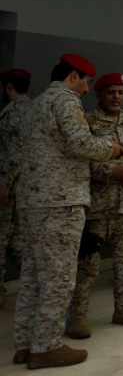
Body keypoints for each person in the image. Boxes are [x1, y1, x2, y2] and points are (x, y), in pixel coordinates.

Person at [13, 55, 123, 368]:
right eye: (87, 81)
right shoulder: (66, 99)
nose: (88, 89)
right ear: (74, 76)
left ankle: (25, 343)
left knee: (33, 276)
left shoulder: (35, 103)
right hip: (60, 201)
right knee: (59, 277)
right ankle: (46, 346)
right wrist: (110, 149)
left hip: (32, 200)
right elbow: (80, 143)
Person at [66, 73, 123, 339]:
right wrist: (112, 171)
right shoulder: (88, 122)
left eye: (120, 92)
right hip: (97, 209)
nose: (116, 97)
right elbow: (80, 159)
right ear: (99, 95)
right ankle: (77, 318)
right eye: (110, 92)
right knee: (86, 267)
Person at [0, 69, 32, 309]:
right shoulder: (33, 109)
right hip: (26, 188)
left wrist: (4, 185)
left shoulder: (14, 113)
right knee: (17, 240)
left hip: (10, 188)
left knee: (3, 239)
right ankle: (36, 284)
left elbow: (13, 154)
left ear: (9, 87)